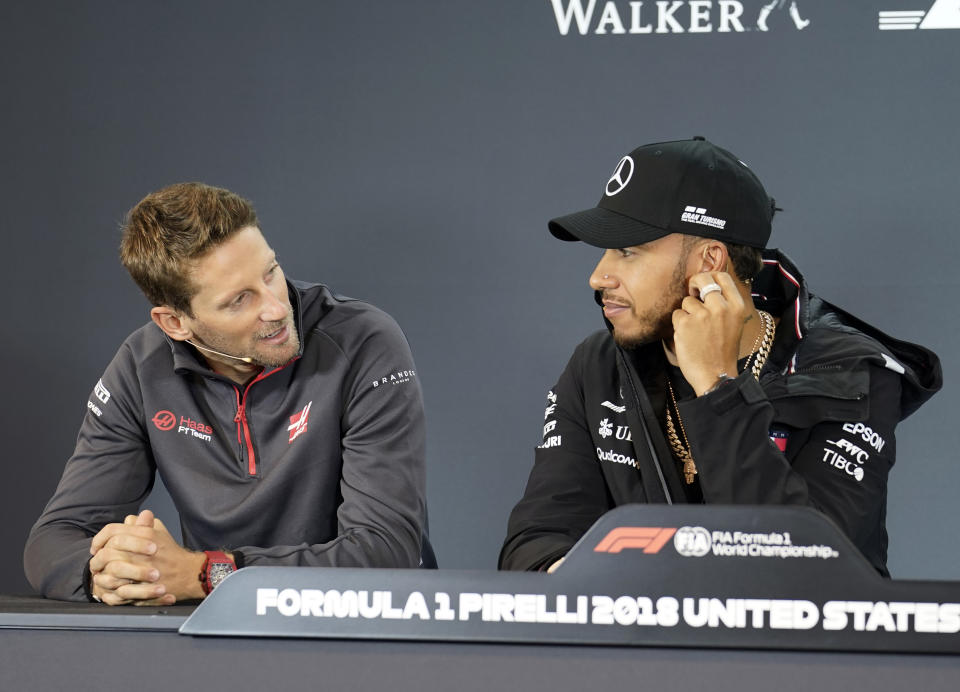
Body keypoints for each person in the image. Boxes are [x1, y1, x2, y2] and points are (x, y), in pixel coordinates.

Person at [499, 137, 941, 577]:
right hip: (638, 643)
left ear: (710, 260)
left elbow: (808, 570)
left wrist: (718, 388)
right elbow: (535, 543)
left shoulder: (852, 373)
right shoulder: (597, 365)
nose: (598, 276)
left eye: (627, 251)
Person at [25, 182, 431, 605]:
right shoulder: (140, 368)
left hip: (363, 630)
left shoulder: (363, 341)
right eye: (239, 300)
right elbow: (53, 541)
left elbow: (386, 551)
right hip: (219, 638)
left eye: (270, 272)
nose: (276, 308)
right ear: (175, 324)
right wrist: (109, 574)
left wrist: (208, 574)